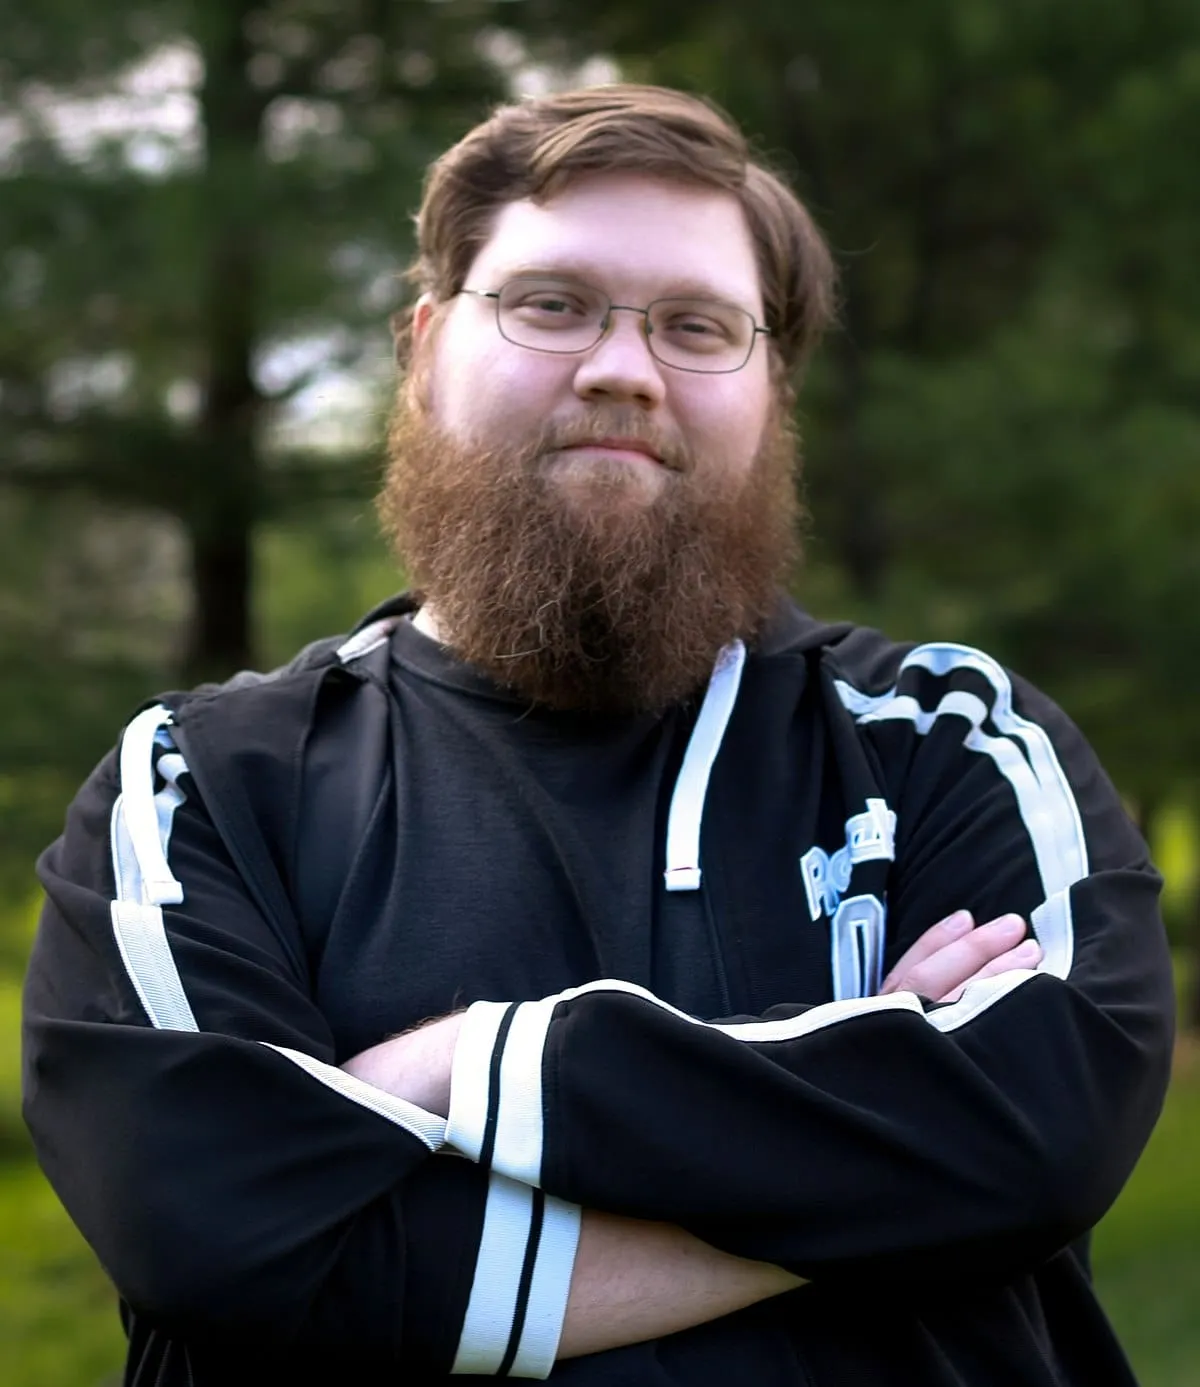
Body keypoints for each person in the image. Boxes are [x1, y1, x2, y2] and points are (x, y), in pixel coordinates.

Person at [22, 84, 1174, 1387]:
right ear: (420, 348)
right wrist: (883, 1142)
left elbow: (1041, 1123)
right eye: (552, 303)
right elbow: (216, 1229)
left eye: (698, 326)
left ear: (773, 395)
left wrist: (465, 1064)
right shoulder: (201, 786)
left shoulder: (947, 741)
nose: (624, 367)